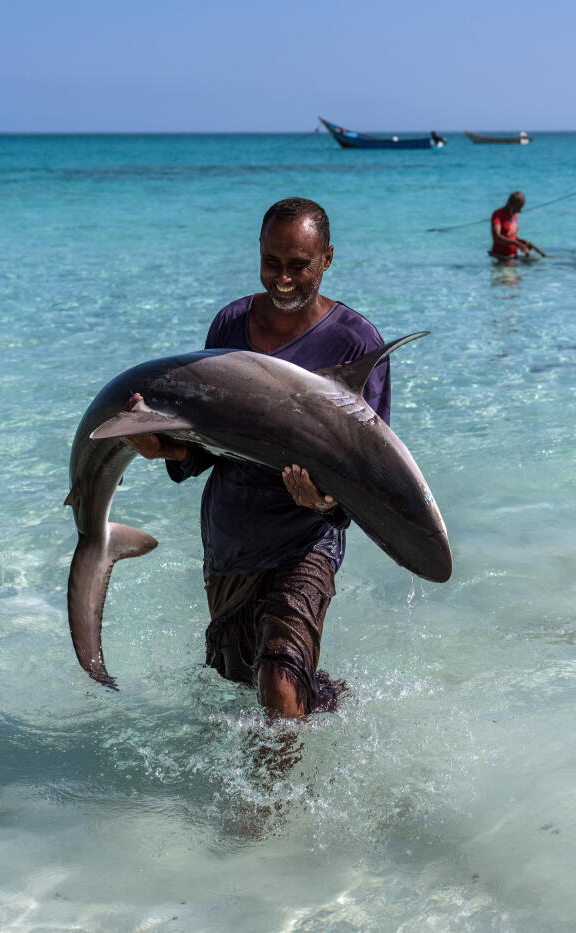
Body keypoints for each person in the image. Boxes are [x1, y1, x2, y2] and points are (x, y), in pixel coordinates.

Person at [120, 197, 389, 718]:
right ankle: (331, 708)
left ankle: (271, 803)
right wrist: (163, 448)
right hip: (231, 537)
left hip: (306, 539)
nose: (283, 279)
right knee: (244, 680)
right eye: (272, 263)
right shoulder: (230, 324)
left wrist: (325, 500)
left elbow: (370, 472)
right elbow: (205, 442)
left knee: (279, 683)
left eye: (299, 265)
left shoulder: (358, 344)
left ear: (327, 258)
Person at [489, 191, 546, 260]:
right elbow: (496, 237)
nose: (519, 211)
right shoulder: (498, 215)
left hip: (512, 256)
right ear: (510, 204)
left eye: (521, 208)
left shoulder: (514, 215)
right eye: (518, 208)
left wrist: (523, 242)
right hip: (501, 257)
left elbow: (510, 235)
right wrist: (517, 244)